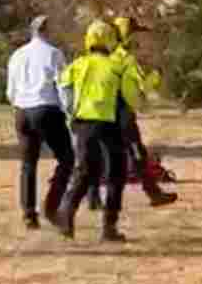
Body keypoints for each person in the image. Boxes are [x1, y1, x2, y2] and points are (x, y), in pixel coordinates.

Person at [53, 19, 142, 242]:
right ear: (110, 40)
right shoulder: (117, 66)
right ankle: (109, 228)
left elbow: (63, 89)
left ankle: (66, 214)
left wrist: (71, 114)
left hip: (83, 123)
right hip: (109, 123)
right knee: (116, 173)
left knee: (84, 171)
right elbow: (131, 97)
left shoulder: (77, 65)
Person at [98, 16, 176, 207]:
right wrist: (155, 77)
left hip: (101, 113)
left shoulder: (105, 55)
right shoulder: (126, 59)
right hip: (122, 114)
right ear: (127, 36)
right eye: (134, 35)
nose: (138, 41)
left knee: (103, 156)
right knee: (137, 155)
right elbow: (138, 92)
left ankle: (93, 199)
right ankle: (153, 194)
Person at [5, 15, 74, 229]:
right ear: (47, 31)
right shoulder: (54, 54)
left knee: (28, 164)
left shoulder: (17, 55)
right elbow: (62, 86)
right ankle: (51, 206)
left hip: (22, 111)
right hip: (46, 109)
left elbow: (10, 90)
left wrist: (19, 105)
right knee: (67, 159)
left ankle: (28, 214)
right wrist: (69, 111)